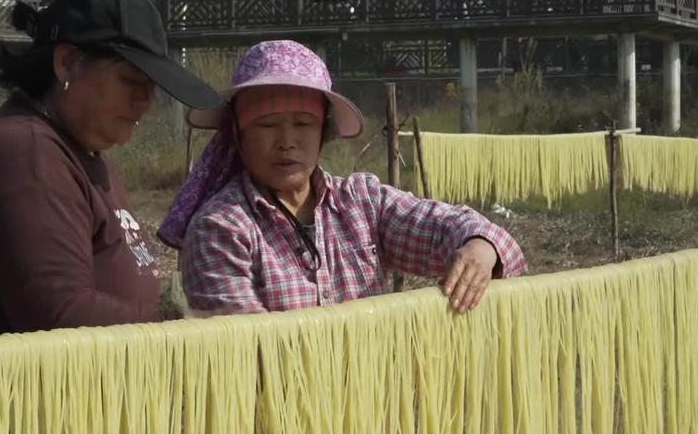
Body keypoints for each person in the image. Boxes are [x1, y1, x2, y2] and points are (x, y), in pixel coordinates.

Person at [0, 0, 221, 342]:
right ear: (66, 63)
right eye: (130, 80)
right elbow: (56, 317)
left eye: (152, 86)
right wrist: (178, 322)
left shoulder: (82, 152)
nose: (145, 100)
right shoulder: (26, 153)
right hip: (5, 396)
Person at [158, 40, 527, 316]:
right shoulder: (220, 229)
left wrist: (479, 245)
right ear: (237, 136)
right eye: (267, 125)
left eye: (303, 124)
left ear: (325, 132)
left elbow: (442, 227)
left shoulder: (361, 203)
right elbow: (249, 353)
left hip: (371, 411)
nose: (286, 143)